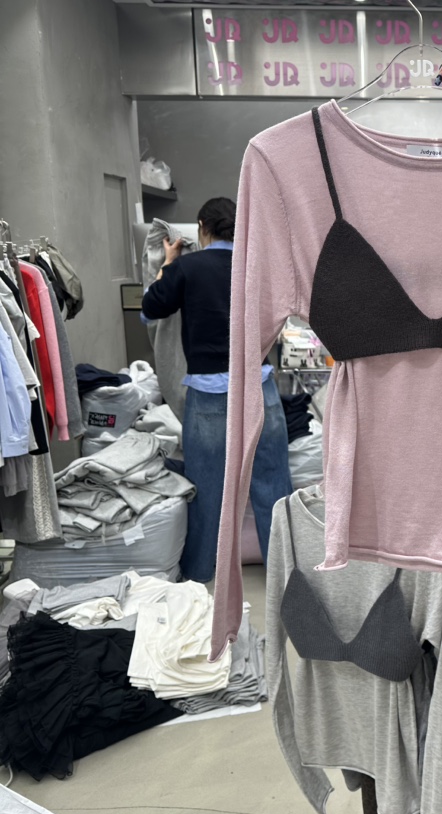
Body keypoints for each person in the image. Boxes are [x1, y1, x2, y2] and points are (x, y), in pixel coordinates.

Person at [142, 197, 292, 582]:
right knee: (272, 484)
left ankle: (200, 572)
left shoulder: (187, 268)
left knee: (207, 489)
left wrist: (169, 263)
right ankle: (286, 574)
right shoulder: (256, 268)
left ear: (202, 227)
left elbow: (151, 309)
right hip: (259, 387)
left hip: (208, 393)